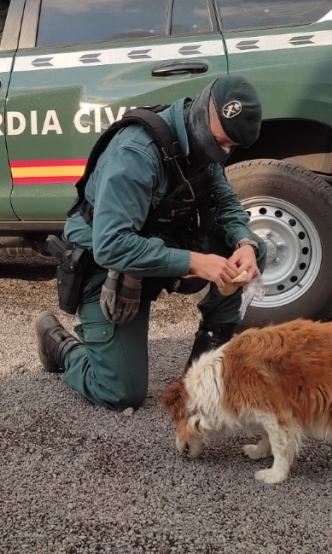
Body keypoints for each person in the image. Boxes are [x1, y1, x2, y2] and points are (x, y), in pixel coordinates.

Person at [35, 75, 268, 411]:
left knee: (259, 248)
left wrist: (244, 243)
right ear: (202, 114)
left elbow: (226, 204)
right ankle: (62, 348)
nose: (223, 152)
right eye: (219, 141)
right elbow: (111, 244)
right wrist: (194, 262)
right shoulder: (136, 151)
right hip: (106, 263)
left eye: (231, 147)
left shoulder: (204, 145)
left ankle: (205, 363)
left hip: (158, 251)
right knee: (119, 392)